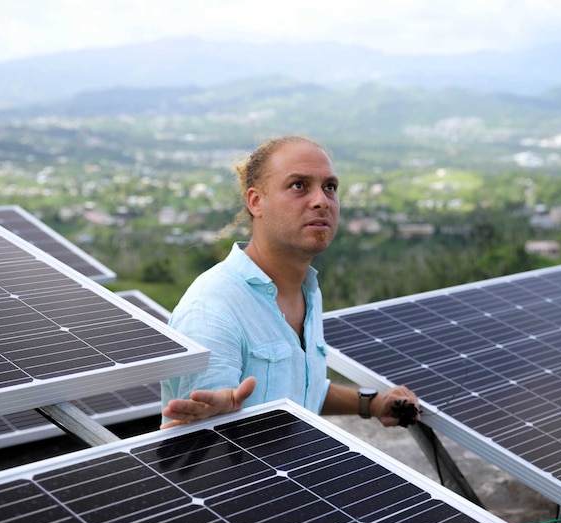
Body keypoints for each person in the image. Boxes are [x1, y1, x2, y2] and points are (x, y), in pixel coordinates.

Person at [161, 135, 420, 429]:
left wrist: (371, 403)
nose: (321, 201)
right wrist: (219, 414)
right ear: (256, 202)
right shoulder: (211, 311)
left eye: (330, 187)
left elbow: (302, 386)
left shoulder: (306, 290)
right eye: (298, 185)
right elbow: (209, 433)